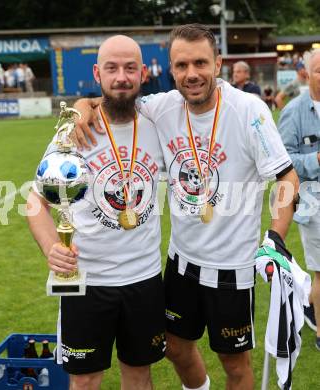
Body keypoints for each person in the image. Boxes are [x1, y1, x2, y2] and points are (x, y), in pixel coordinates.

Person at [73, 24, 299, 390]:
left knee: (235, 362)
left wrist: (275, 237)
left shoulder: (249, 111)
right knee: (174, 347)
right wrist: (83, 106)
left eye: (200, 63)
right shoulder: (161, 107)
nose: (191, 74)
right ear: (171, 69)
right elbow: (113, 98)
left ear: (218, 63)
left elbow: (288, 179)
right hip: (181, 263)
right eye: (181, 65)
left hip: (233, 267)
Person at [27, 35, 166, 390]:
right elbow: (35, 202)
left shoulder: (157, 121)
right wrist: (50, 249)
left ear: (143, 73)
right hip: (87, 282)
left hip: (144, 278)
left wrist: (84, 103)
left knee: (138, 375)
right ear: (97, 73)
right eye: (112, 68)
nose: (121, 76)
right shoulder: (73, 130)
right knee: (86, 380)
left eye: (130, 68)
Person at [278, 48, 320, 351]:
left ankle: (307, 303)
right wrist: (316, 159)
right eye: (319, 69)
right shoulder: (294, 110)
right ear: (306, 74)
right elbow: (284, 160)